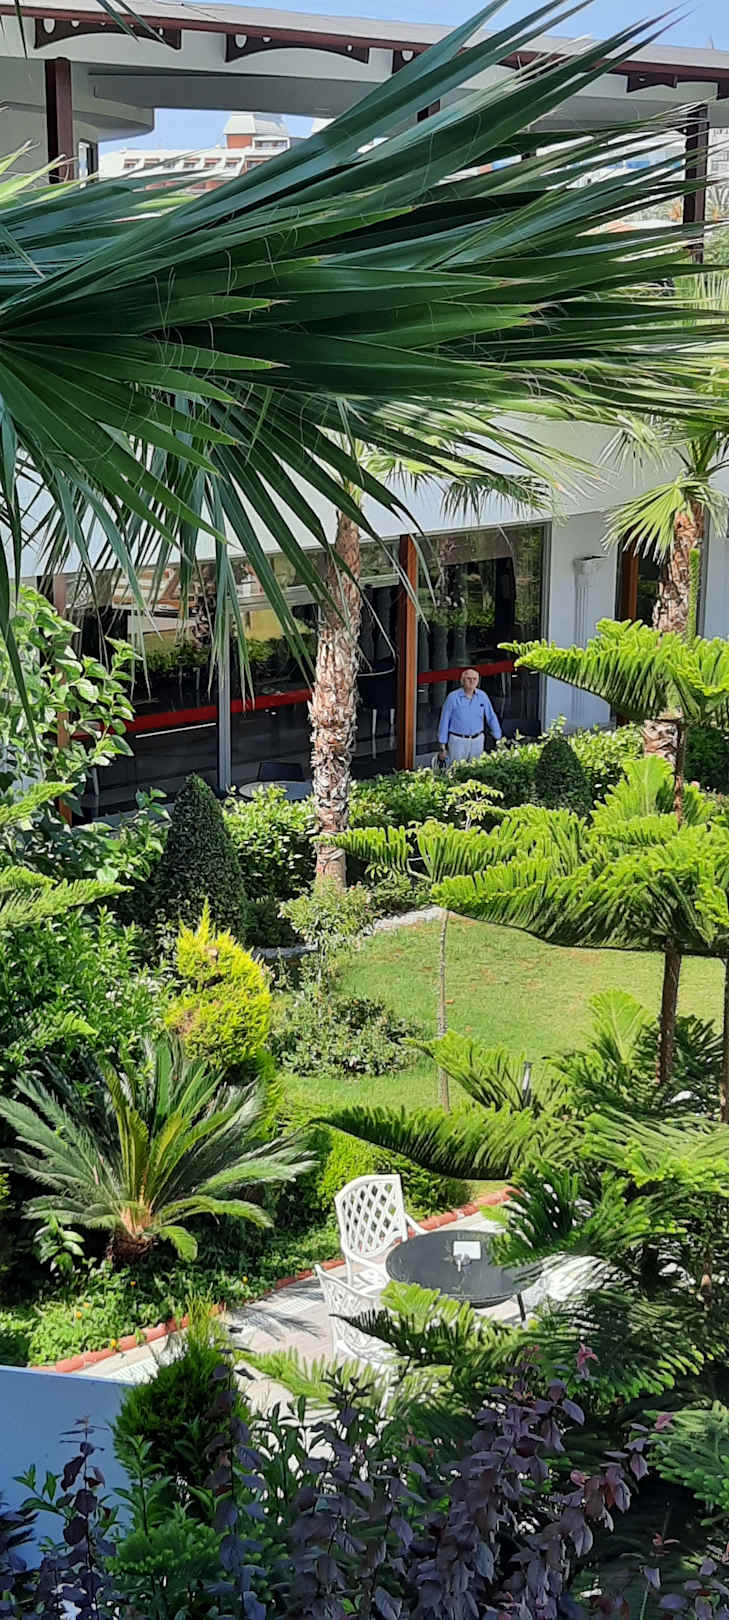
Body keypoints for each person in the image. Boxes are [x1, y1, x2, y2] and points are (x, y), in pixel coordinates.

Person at [437, 667, 502, 764]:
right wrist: (442, 745)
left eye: (474, 679)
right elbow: (444, 720)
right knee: (456, 769)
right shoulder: (453, 697)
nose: (472, 681)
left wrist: (498, 738)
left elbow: (491, 717)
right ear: (462, 681)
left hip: (478, 740)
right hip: (458, 741)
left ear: (478, 681)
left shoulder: (482, 696)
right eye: (468, 678)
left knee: (476, 769)